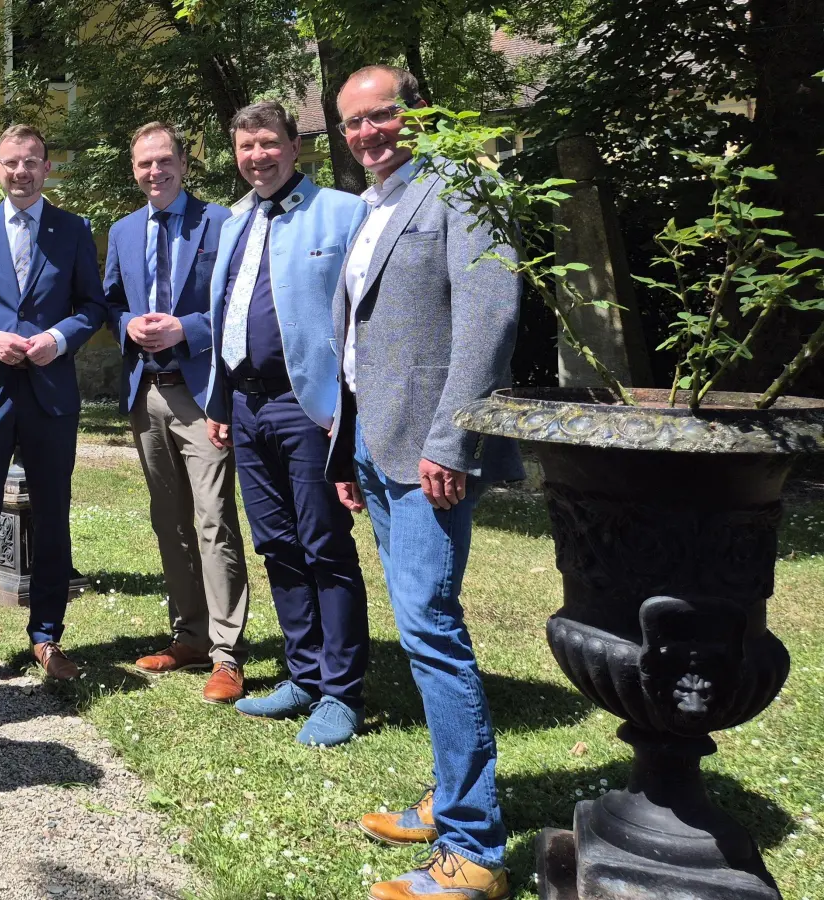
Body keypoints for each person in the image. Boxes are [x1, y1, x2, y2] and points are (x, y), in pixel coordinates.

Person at [328, 64, 523, 900]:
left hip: (431, 454)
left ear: (419, 113)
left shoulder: (462, 188)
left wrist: (453, 440)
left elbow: (490, 316)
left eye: (382, 116)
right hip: (377, 447)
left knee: (431, 633)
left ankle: (475, 851)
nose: (368, 133)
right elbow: (362, 340)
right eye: (353, 123)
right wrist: (350, 451)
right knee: (420, 630)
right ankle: (450, 798)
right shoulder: (375, 205)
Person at [201, 101, 371, 747]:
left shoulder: (341, 211)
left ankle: (341, 691)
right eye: (246, 147)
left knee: (325, 544)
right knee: (276, 543)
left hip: (310, 408)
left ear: (295, 146)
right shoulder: (236, 219)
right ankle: (302, 673)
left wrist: (347, 415)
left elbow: (359, 322)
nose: (257, 157)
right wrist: (221, 403)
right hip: (246, 407)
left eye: (268, 144)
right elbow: (224, 313)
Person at [0, 123, 108, 686]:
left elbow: (91, 304)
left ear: (46, 168)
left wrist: (55, 340)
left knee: (53, 519)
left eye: (32, 161)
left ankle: (47, 638)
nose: (21, 171)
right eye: (11, 162)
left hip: (51, 395)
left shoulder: (73, 230)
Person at [103, 122, 250, 704]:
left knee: (214, 519)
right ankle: (187, 635)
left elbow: (241, 308)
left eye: (165, 161)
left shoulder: (220, 223)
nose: (155, 172)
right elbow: (111, 301)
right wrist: (128, 326)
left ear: (184, 163)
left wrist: (185, 329)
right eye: (144, 164)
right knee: (170, 519)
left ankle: (226, 653)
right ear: (134, 170)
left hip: (202, 392)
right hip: (148, 393)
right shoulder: (121, 231)